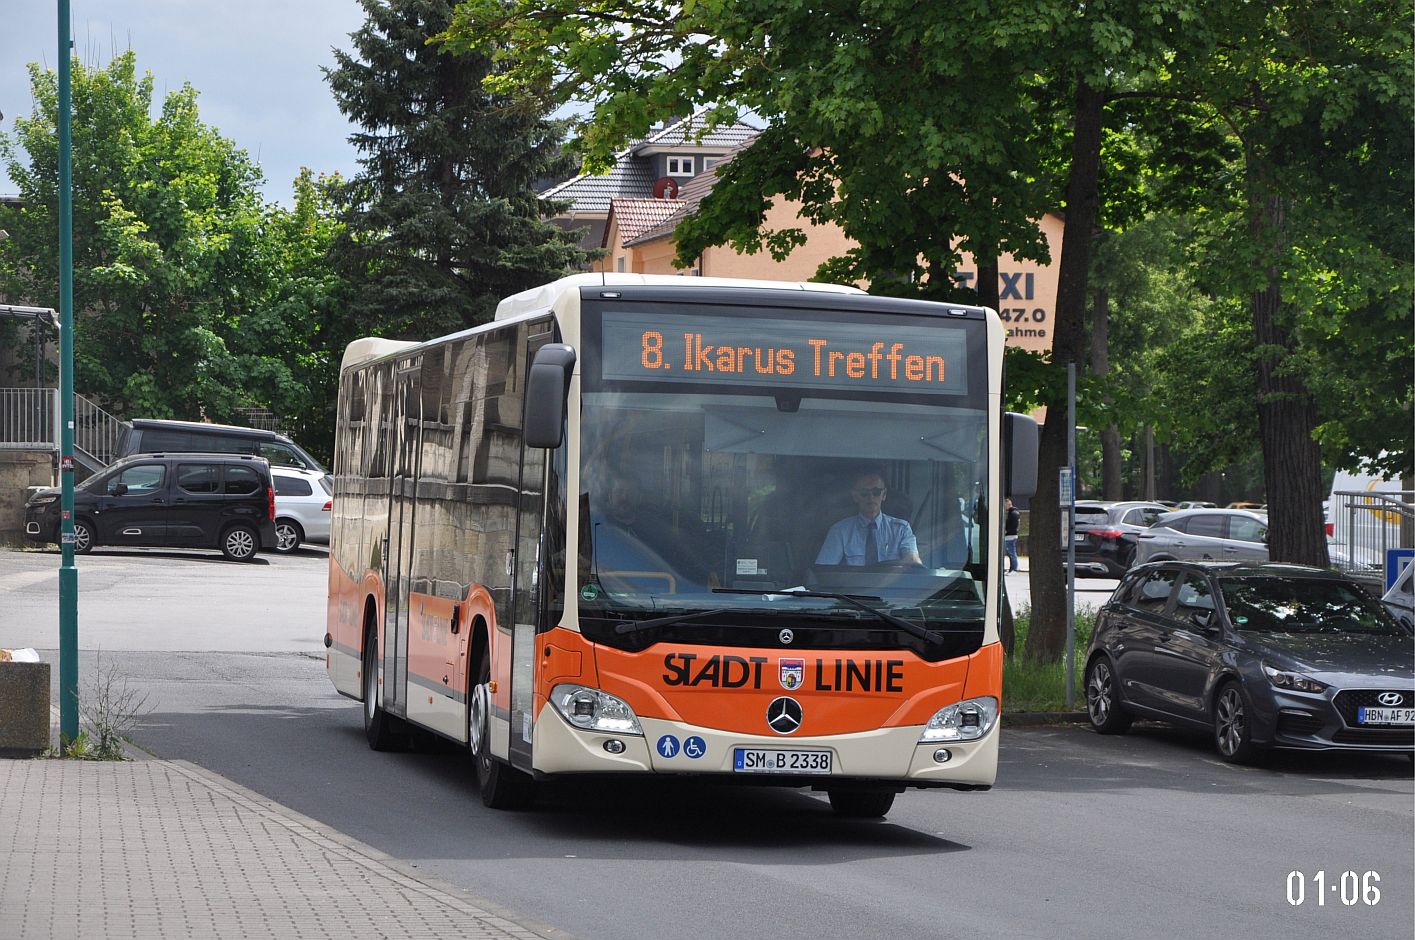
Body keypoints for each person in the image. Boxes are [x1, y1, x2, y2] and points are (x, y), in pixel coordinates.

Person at [815, 471, 921, 567]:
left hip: (890, 588)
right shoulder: (839, 531)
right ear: (855, 496)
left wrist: (911, 560)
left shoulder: (902, 529)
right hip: (851, 588)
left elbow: (913, 564)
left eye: (876, 492)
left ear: (884, 495)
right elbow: (823, 571)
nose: (871, 498)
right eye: (864, 493)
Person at [1005, 498, 1021, 573]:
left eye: (1005, 505)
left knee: (1011, 553)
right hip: (1012, 535)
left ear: (1008, 504)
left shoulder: (1012, 513)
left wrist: (1006, 531)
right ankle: (1013, 568)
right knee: (1011, 553)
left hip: (1010, 536)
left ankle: (1014, 568)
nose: (1004, 507)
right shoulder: (1015, 512)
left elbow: (1012, 526)